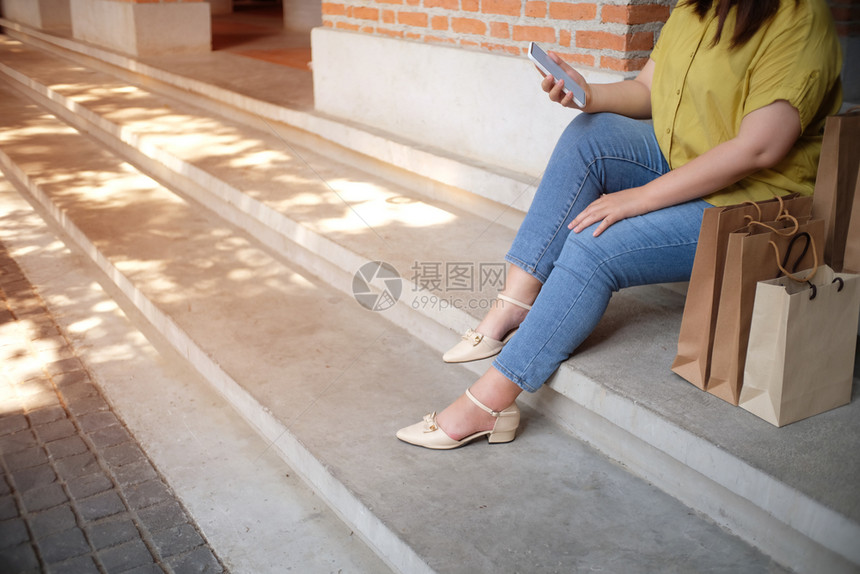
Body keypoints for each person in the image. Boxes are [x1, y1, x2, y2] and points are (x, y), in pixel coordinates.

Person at [396, 0, 843, 449]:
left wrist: (639, 199)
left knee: (598, 243)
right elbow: (647, 89)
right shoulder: (696, 8)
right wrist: (586, 93)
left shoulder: (799, 18)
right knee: (590, 135)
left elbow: (759, 149)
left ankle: (491, 403)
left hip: (757, 201)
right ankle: (515, 303)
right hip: (689, 160)